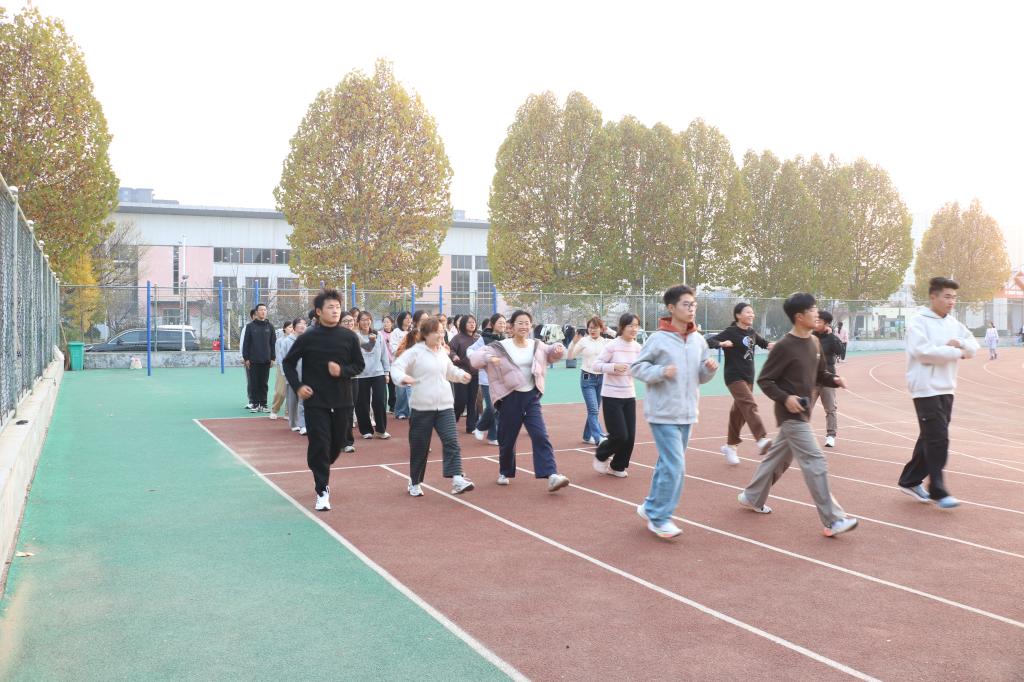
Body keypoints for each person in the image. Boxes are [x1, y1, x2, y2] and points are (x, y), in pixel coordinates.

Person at [737, 292, 858, 537]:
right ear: (799, 316)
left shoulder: (814, 342)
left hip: (804, 413)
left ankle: (752, 496)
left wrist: (834, 379)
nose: (817, 314)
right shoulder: (785, 346)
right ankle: (833, 520)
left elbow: (820, 374)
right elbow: (765, 380)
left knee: (777, 460)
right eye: (813, 310)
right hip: (790, 416)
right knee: (815, 460)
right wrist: (786, 398)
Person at [631, 286, 718, 539]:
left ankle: (650, 506)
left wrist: (709, 369)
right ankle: (660, 518)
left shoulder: (698, 340)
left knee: (667, 463)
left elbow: (701, 377)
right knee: (675, 465)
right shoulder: (658, 339)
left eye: (693, 305)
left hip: (687, 412)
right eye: (686, 305)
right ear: (671, 308)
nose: (691, 309)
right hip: (662, 413)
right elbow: (637, 367)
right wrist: (660, 372)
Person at [898, 277, 978, 509]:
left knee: (930, 437)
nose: (951, 301)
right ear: (933, 297)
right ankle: (938, 489)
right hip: (925, 388)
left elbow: (974, 347)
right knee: (938, 438)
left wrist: (960, 344)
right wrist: (957, 351)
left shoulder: (954, 324)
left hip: (947, 387)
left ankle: (909, 480)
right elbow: (924, 353)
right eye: (947, 296)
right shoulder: (918, 322)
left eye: (954, 297)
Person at [282, 289, 365, 511]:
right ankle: (322, 490)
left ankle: (320, 464)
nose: (335, 311)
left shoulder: (349, 337)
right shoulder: (308, 337)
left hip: (342, 399)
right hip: (315, 401)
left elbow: (359, 365)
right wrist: (298, 386)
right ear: (318, 312)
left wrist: (342, 371)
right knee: (320, 443)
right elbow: (288, 363)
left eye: (338, 307)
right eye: (330, 307)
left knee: (336, 445)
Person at [469, 310, 570, 492]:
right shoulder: (500, 346)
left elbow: (552, 354)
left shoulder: (537, 345)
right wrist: (487, 357)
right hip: (509, 397)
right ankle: (505, 471)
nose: (524, 326)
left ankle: (551, 475)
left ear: (531, 326)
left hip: (531, 397)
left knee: (540, 435)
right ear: (512, 326)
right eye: (520, 323)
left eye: (527, 323)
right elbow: (475, 359)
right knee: (507, 439)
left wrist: (557, 348)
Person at [389, 318, 476, 497]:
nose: (440, 335)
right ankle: (414, 481)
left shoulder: (442, 352)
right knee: (420, 447)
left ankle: (457, 479)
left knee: (451, 441)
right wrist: (403, 378)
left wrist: (461, 375)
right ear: (426, 334)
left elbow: (449, 371)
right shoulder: (415, 352)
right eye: (437, 332)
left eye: (442, 331)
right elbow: (397, 367)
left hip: (445, 405)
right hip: (422, 408)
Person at [707, 302, 773, 465]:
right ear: (738, 315)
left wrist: (779, 345)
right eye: (748, 312)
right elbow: (709, 341)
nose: (751, 315)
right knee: (749, 404)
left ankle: (730, 446)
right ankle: (761, 439)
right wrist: (721, 344)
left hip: (749, 377)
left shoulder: (751, 332)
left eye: (752, 312)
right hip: (734, 377)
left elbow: (765, 344)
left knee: (739, 414)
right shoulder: (730, 332)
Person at [591, 313, 642, 477]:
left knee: (630, 437)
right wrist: (613, 367)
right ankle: (601, 454)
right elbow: (596, 365)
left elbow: (642, 368)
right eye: (630, 326)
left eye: (636, 326)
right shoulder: (612, 345)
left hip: (629, 395)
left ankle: (617, 467)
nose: (634, 329)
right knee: (620, 435)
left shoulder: (638, 347)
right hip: (611, 395)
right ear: (622, 327)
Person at [567, 316, 611, 445]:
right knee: (593, 410)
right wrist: (573, 343)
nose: (592, 330)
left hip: (602, 378)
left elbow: (621, 338)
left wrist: (609, 331)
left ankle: (587, 436)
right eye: (590, 328)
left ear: (601, 329)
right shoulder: (584, 341)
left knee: (595, 409)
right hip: (587, 378)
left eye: (595, 328)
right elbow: (570, 356)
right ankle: (598, 438)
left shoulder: (606, 342)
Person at [469, 313, 506, 445]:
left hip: (501, 379)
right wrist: (483, 358)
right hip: (486, 379)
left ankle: (493, 436)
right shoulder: (484, 339)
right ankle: (479, 426)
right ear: (493, 324)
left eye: (504, 323)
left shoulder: (505, 340)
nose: (503, 325)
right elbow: (470, 351)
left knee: (498, 409)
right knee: (491, 407)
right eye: (500, 323)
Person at [354, 311, 391, 440]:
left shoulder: (378, 335)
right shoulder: (356, 336)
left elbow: (384, 354)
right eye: (363, 319)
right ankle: (366, 430)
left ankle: (381, 430)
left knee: (380, 401)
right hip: (361, 374)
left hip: (378, 373)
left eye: (368, 319)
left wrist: (386, 372)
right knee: (362, 403)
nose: (366, 322)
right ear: (358, 321)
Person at [813, 310, 844, 448]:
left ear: (826, 324)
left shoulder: (832, 338)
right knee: (804, 408)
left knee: (830, 408)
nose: (816, 323)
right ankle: (800, 435)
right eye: (815, 320)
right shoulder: (810, 336)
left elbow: (840, 351)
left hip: (828, 378)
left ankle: (831, 435)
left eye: (818, 321)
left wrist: (832, 336)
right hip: (811, 378)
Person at [449, 314, 481, 433]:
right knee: (461, 400)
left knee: (473, 401)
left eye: (474, 322)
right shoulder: (457, 338)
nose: (472, 324)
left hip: (476, 373)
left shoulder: (478, 338)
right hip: (461, 373)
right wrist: (454, 356)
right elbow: (450, 350)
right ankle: (452, 421)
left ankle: (471, 426)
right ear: (463, 324)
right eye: (469, 322)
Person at [242, 303, 276, 413]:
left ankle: (264, 404)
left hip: (266, 360)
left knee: (264, 383)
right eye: (261, 310)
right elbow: (246, 343)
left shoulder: (270, 326)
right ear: (256, 312)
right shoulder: (250, 326)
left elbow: (273, 343)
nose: (263, 312)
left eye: (265, 310)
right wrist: (246, 358)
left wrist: (273, 358)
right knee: (254, 383)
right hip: (253, 360)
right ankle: (255, 404)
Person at [283, 318, 307, 435]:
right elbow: (283, 359)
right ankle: (293, 423)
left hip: (305, 374)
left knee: (303, 400)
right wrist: (286, 375)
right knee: (292, 401)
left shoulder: (307, 340)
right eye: (300, 324)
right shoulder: (287, 341)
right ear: (294, 327)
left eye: (304, 324)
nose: (302, 326)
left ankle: (303, 424)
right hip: (292, 375)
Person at [269, 320, 294, 419]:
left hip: (293, 368)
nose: (291, 329)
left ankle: (288, 412)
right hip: (282, 368)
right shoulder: (280, 341)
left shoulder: (296, 340)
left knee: (291, 391)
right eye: (289, 327)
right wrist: (283, 368)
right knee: (280, 391)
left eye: (293, 327)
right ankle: (274, 410)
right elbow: (279, 355)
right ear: (284, 328)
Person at [380, 315, 397, 412]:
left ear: (392, 323)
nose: (385, 324)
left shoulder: (395, 334)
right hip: (383, 364)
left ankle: (392, 406)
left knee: (392, 386)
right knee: (383, 386)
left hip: (393, 363)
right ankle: (383, 406)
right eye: (384, 322)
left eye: (388, 322)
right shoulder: (380, 334)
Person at [240, 308, 257, 409]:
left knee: (262, 382)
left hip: (262, 359)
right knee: (251, 380)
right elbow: (243, 343)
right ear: (252, 317)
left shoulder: (266, 327)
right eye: (256, 315)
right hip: (250, 359)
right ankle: (252, 400)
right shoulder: (247, 327)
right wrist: (243, 356)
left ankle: (261, 402)